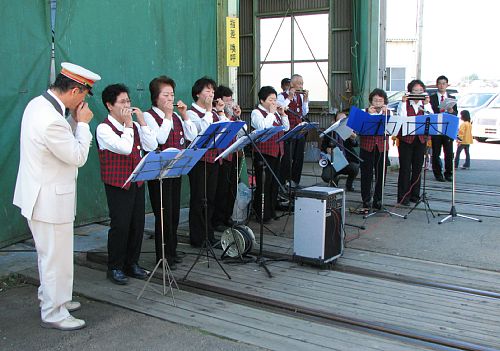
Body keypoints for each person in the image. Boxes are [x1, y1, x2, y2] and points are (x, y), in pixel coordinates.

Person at [13, 62, 100, 330]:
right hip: (49, 199)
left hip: (41, 194)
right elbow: (77, 156)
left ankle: (54, 298)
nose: (83, 102)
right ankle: (54, 312)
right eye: (84, 95)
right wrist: (83, 124)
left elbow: (60, 143)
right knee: (56, 259)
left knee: (49, 255)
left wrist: (74, 119)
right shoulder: (51, 119)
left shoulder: (40, 105)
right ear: (74, 91)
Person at [96, 84, 158, 285]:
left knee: (137, 224)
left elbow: (152, 145)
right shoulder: (104, 128)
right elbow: (124, 147)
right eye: (122, 102)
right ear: (109, 105)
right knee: (120, 225)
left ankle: (132, 263)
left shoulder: (135, 125)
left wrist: (141, 121)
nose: (127, 105)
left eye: (128, 101)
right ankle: (115, 266)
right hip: (117, 182)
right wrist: (129, 125)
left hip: (137, 180)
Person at [143, 76, 197, 270]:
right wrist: (167, 116)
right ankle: (163, 255)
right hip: (159, 173)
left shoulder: (175, 115)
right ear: (155, 97)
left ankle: (172, 252)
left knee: (174, 214)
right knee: (163, 214)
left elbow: (191, 135)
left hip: (176, 170)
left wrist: (184, 115)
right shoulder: (149, 115)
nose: (170, 98)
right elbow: (159, 138)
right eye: (165, 94)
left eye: (172, 94)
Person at [186, 77, 224, 247]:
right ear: (197, 93)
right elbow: (201, 132)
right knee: (199, 199)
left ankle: (209, 234)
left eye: (213, 91)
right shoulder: (191, 113)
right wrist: (209, 111)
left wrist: (221, 112)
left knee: (211, 198)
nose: (211, 94)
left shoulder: (213, 112)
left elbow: (224, 130)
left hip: (213, 158)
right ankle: (197, 237)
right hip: (198, 161)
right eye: (207, 91)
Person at [251, 86, 290, 223]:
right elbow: (263, 127)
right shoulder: (257, 113)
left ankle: (271, 210)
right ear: (262, 100)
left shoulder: (275, 113)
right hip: (263, 153)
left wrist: (283, 114)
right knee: (264, 185)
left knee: (273, 183)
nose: (273, 102)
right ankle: (261, 213)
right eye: (270, 99)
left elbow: (286, 128)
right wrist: (272, 113)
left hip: (277, 152)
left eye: (275, 99)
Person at [211, 85, 245, 232]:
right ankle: (218, 219)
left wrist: (238, 117)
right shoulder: (215, 115)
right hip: (221, 156)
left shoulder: (230, 115)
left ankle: (227, 216)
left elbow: (242, 134)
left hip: (234, 154)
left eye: (231, 101)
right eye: (227, 101)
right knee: (221, 190)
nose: (231, 104)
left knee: (232, 188)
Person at [396, 79, 433, 206]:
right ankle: (403, 196)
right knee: (405, 168)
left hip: (421, 140)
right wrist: (403, 102)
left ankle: (415, 195)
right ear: (410, 91)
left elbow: (431, 118)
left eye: (420, 91)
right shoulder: (405, 104)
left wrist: (427, 104)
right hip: (406, 139)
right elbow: (402, 117)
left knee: (417, 168)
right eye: (415, 90)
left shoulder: (425, 104)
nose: (417, 93)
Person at [359, 89, 391, 209]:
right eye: (375, 100)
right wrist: (367, 113)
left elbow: (393, 127)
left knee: (381, 174)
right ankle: (366, 199)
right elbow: (356, 126)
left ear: (384, 101)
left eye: (380, 100)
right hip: (367, 147)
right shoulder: (364, 111)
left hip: (382, 147)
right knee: (366, 174)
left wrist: (386, 114)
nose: (378, 103)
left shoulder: (388, 113)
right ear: (371, 101)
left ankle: (378, 200)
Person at [277, 74, 309, 188]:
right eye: (299, 83)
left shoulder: (300, 97)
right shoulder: (281, 96)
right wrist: (289, 98)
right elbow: (280, 108)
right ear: (292, 84)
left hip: (299, 130)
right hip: (288, 131)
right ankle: (283, 182)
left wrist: (305, 100)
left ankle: (295, 181)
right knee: (287, 158)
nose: (301, 85)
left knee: (298, 157)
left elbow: (304, 113)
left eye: (302, 83)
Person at [320, 111, 359, 192]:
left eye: (344, 121)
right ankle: (335, 180)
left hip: (347, 160)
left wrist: (353, 139)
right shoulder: (330, 132)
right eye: (339, 121)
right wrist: (327, 149)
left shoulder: (349, 130)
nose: (341, 123)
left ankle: (349, 184)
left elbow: (355, 144)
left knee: (355, 167)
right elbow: (323, 146)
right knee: (326, 176)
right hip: (333, 161)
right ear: (334, 122)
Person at [430, 75, 458, 181]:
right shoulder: (432, 98)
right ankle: (437, 173)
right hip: (436, 127)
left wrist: (452, 111)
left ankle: (448, 173)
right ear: (437, 85)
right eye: (440, 83)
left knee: (449, 152)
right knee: (436, 152)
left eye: (444, 83)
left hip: (447, 127)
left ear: (447, 85)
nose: (442, 85)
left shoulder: (452, 98)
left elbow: (456, 113)